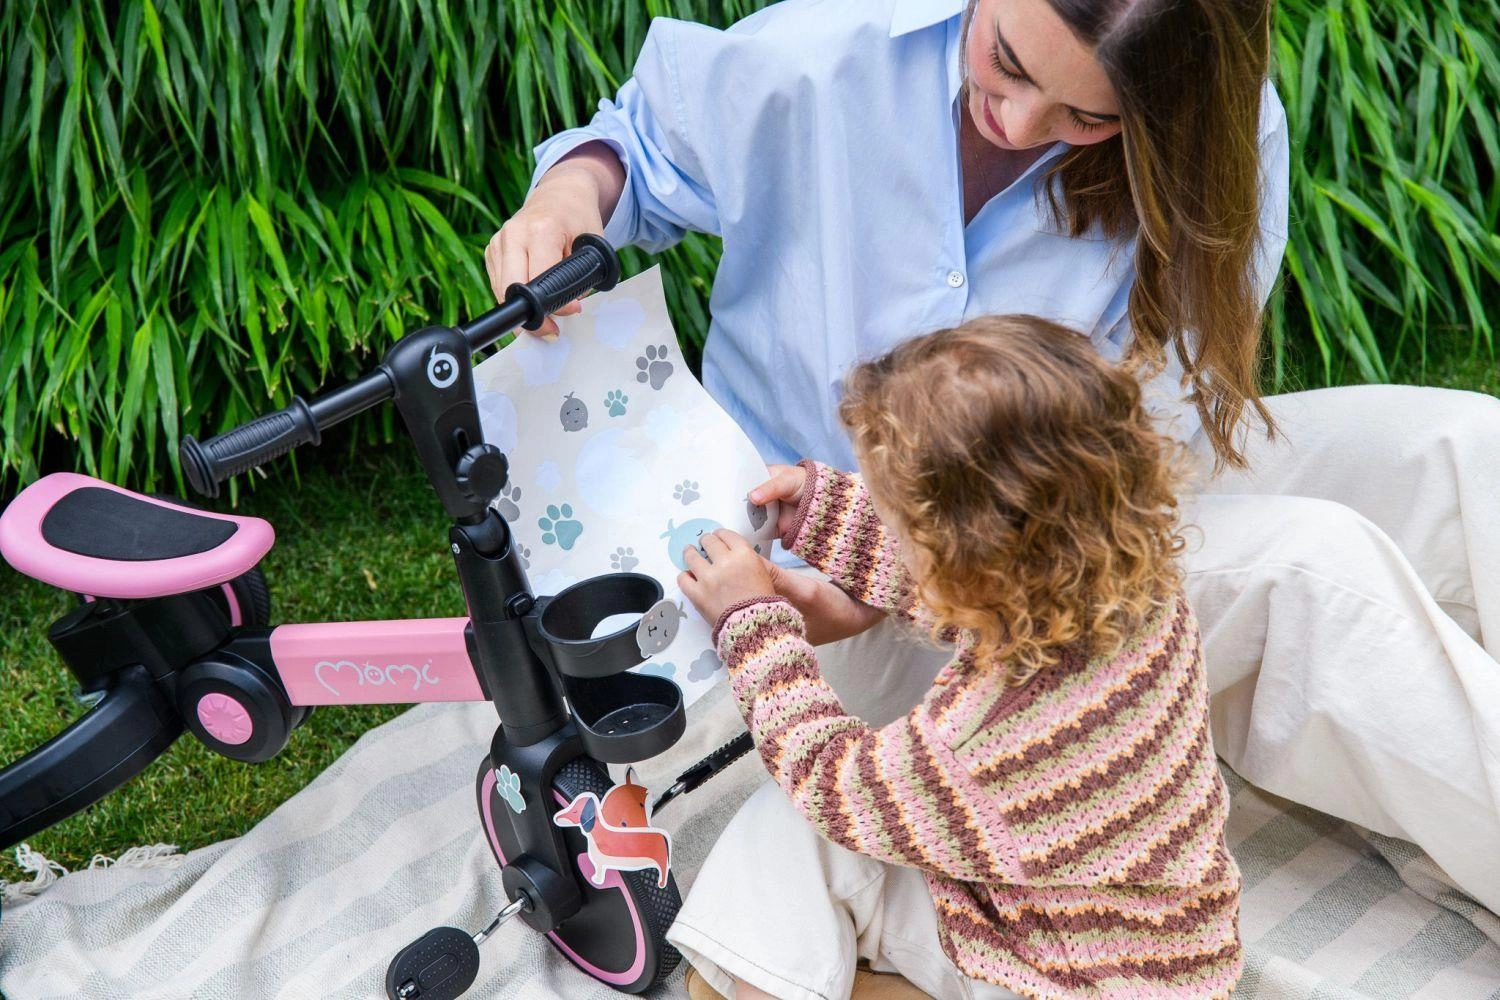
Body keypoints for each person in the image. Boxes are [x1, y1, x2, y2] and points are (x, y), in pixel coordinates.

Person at [485, 0, 1500, 913]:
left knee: (1466, 447)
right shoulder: (827, 50)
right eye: (1008, 61)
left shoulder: (1203, 121)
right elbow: (641, 147)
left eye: (1087, 117)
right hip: (859, 585)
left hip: (1074, 521)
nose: (1016, 123)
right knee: (1312, 575)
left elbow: (1152, 445)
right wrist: (567, 198)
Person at [671, 315, 1241, 1000]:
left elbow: (830, 783)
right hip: (1159, 951)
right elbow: (971, 583)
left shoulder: (979, 735)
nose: (887, 525)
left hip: (1062, 975)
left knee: (786, 830)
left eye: (894, 518)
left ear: (962, 560)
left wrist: (752, 623)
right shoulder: (1139, 590)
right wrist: (825, 514)